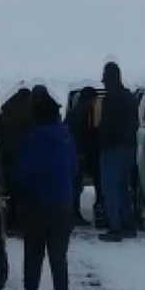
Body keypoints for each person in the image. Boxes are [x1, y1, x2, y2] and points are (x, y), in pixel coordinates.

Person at [9, 85, 78, 290]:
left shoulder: (30, 137)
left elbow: (20, 171)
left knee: (33, 254)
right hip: (62, 202)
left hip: (35, 203)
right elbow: (74, 167)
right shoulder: (65, 134)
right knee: (58, 256)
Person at [98, 61, 139, 242]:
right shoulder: (129, 97)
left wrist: (100, 141)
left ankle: (115, 228)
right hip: (129, 148)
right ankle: (128, 225)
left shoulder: (110, 99)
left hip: (112, 149)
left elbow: (106, 126)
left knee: (111, 190)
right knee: (123, 189)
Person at [0, 87, 34, 235]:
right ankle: (19, 222)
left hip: (8, 156)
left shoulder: (8, 111)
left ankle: (11, 221)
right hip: (19, 156)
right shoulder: (24, 113)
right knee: (21, 192)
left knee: (12, 192)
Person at [65, 86, 98, 226]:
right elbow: (81, 136)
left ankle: (73, 213)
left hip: (74, 152)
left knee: (75, 185)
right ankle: (72, 214)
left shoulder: (76, 112)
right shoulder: (81, 113)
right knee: (75, 186)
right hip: (77, 153)